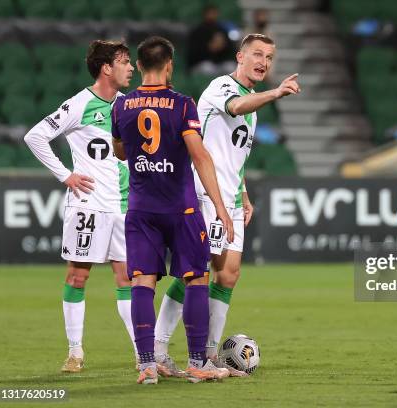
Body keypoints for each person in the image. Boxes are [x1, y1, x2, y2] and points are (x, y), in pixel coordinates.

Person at [153, 33, 300, 376]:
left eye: (270, 57)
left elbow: (236, 158)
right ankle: (159, 349)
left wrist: (244, 195)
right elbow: (236, 107)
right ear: (240, 56)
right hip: (205, 193)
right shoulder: (222, 87)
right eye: (258, 55)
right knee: (197, 271)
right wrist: (276, 93)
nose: (264, 62)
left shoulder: (253, 104)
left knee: (229, 274)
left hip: (231, 198)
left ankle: (208, 352)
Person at [111, 36, 234, 385]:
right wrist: (222, 209)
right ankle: (198, 363)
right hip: (180, 208)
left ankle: (147, 365)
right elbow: (200, 155)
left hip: (140, 209)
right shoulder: (182, 104)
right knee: (197, 277)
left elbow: (120, 151)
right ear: (169, 66)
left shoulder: (121, 107)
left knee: (142, 281)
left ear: (139, 65)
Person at [24, 40, 137, 373]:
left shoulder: (128, 105)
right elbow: (35, 136)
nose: (131, 68)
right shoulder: (80, 104)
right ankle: (75, 352)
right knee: (76, 277)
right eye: (125, 61)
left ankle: (142, 354)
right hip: (87, 206)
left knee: (128, 279)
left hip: (124, 205)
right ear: (106, 68)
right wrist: (66, 175)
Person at [187, 4, 236, 76]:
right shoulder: (197, 31)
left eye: (214, 13)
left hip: (219, 64)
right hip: (200, 64)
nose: (211, 16)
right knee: (207, 68)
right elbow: (192, 54)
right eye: (209, 13)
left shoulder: (221, 30)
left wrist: (223, 46)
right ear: (204, 14)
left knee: (231, 67)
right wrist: (209, 47)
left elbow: (230, 50)